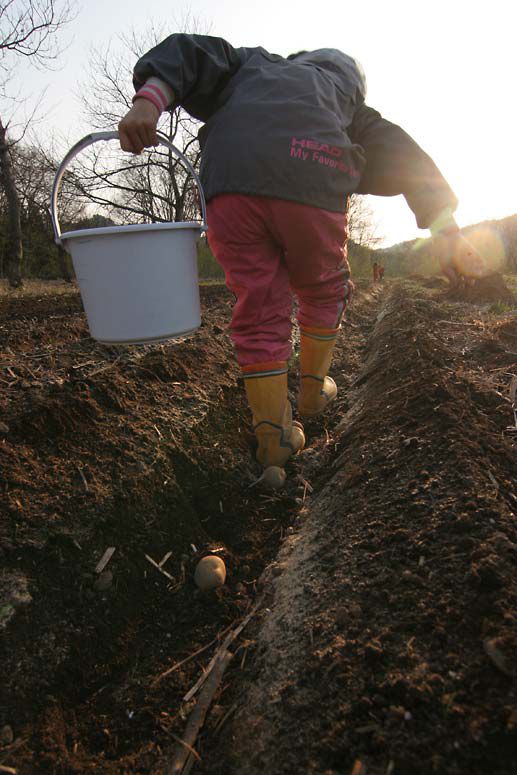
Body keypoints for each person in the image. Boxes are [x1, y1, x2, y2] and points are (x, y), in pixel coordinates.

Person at [118, 34, 488, 485]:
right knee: (322, 288)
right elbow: (406, 155)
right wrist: (444, 226)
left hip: (230, 182)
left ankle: (272, 436)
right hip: (314, 177)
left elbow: (192, 53)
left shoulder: (250, 66)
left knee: (258, 305)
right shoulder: (345, 99)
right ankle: (312, 396)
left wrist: (149, 102)